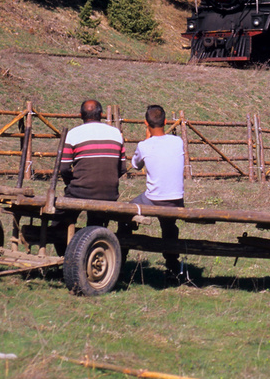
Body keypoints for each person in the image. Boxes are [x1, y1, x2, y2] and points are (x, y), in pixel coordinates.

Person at [129, 104, 188, 282]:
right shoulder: (178, 142)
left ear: (146, 123)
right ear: (166, 122)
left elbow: (135, 165)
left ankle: (123, 250)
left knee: (125, 211)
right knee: (169, 226)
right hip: (176, 199)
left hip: (153, 199)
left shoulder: (144, 145)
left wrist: (146, 140)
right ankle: (172, 263)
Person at [58, 99, 127, 201]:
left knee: (64, 215)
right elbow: (122, 169)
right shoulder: (115, 133)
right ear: (101, 114)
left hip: (79, 191)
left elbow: (64, 168)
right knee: (99, 216)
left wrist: (72, 182)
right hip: (109, 193)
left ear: (81, 115)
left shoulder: (73, 134)